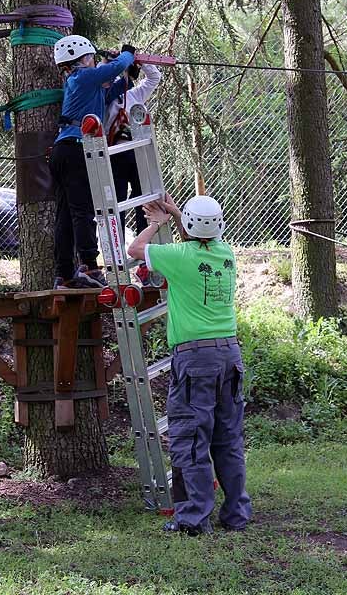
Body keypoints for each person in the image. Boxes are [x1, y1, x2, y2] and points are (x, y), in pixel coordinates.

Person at [127, 192, 251, 535]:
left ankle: (193, 519)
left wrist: (156, 223)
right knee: (227, 439)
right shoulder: (225, 253)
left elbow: (134, 251)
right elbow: (198, 236)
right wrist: (178, 213)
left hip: (196, 358)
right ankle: (236, 515)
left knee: (191, 438)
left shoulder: (179, 256)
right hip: (229, 354)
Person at [50, 35, 134, 289]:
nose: (94, 61)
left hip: (64, 150)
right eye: (91, 57)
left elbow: (117, 86)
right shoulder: (83, 77)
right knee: (82, 210)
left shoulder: (84, 85)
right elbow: (114, 68)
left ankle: (64, 273)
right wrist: (127, 54)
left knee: (65, 215)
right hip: (76, 150)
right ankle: (89, 265)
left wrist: (130, 75)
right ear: (82, 59)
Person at [104, 60, 162, 234]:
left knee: (143, 195)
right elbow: (102, 79)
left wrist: (140, 61)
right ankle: (118, 242)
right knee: (118, 198)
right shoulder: (104, 98)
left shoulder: (135, 95)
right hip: (115, 152)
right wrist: (110, 63)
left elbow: (154, 77)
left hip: (138, 151)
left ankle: (144, 241)